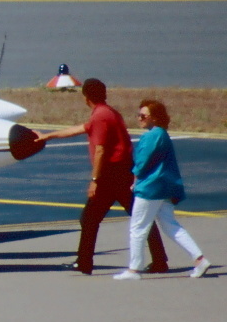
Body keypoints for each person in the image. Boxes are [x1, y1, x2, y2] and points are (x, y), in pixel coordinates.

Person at [35, 78, 166, 275]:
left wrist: (95, 180)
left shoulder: (101, 116)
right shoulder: (108, 112)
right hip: (123, 172)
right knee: (140, 217)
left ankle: (85, 262)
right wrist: (48, 136)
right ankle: (159, 260)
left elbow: (101, 150)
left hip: (112, 174)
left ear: (85, 97)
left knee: (89, 219)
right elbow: (81, 128)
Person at [114, 100, 212, 280]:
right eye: (139, 115)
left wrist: (134, 179)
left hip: (150, 189)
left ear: (154, 118)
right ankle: (199, 258)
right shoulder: (162, 134)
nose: (139, 118)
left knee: (138, 227)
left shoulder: (152, 136)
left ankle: (134, 269)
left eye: (143, 116)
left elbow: (142, 161)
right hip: (163, 189)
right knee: (171, 225)